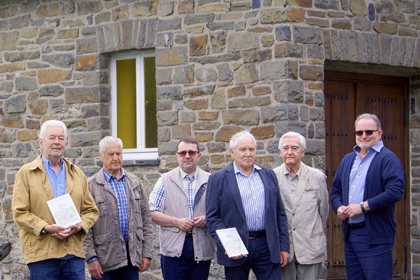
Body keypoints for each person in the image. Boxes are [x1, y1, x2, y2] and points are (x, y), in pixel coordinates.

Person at [12, 119, 99, 280]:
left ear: (66, 142)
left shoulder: (78, 173)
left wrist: (79, 226)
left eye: (61, 138)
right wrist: (46, 227)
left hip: (73, 253)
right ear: (41, 142)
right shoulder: (26, 173)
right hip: (42, 254)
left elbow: (91, 210)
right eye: (52, 137)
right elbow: (20, 213)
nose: (57, 142)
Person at [330, 113, 405, 280]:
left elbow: (395, 191)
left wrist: (363, 206)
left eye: (369, 132)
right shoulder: (348, 159)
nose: (364, 136)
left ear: (379, 133)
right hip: (351, 234)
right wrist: (339, 207)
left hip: (375, 236)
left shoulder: (388, 159)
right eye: (359, 132)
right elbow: (335, 191)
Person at [206, 130, 289, 280]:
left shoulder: (268, 175)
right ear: (232, 153)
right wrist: (228, 244)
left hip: (266, 245)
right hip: (236, 248)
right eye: (243, 149)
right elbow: (212, 218)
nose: (248, 153)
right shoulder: (218, 179)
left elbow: (280, 213)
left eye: (251, 149)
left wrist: (283, 246)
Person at [84, 136, 153, 280]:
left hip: (131, 258)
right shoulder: (90, 185)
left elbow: (146, 219)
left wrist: (146, 253)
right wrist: (91, 258)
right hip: (104, 261)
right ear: (101, 157)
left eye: (118, 153)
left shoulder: (135, 182)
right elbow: (85, 227)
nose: (116, 158)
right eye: (111, 154)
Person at [149, 138, 214, 280]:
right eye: (182, 152)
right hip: (173, 249)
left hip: (201, 247)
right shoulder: (165, 180)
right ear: (177, 156)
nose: (187, 156)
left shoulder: (211, 180)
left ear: (198, 155)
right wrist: (177, 222)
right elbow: (152, 213)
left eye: (191, 152)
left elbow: (220, 212)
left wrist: (206, 219)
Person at [273, 131, 328, 280]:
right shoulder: (272, 177)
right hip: (283, 250)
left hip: (310, 246)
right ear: (280, 152)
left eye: (294, 148)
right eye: (285, 148)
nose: (289, 152)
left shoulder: (317, 177)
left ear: (302, 151)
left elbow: (323, 213)